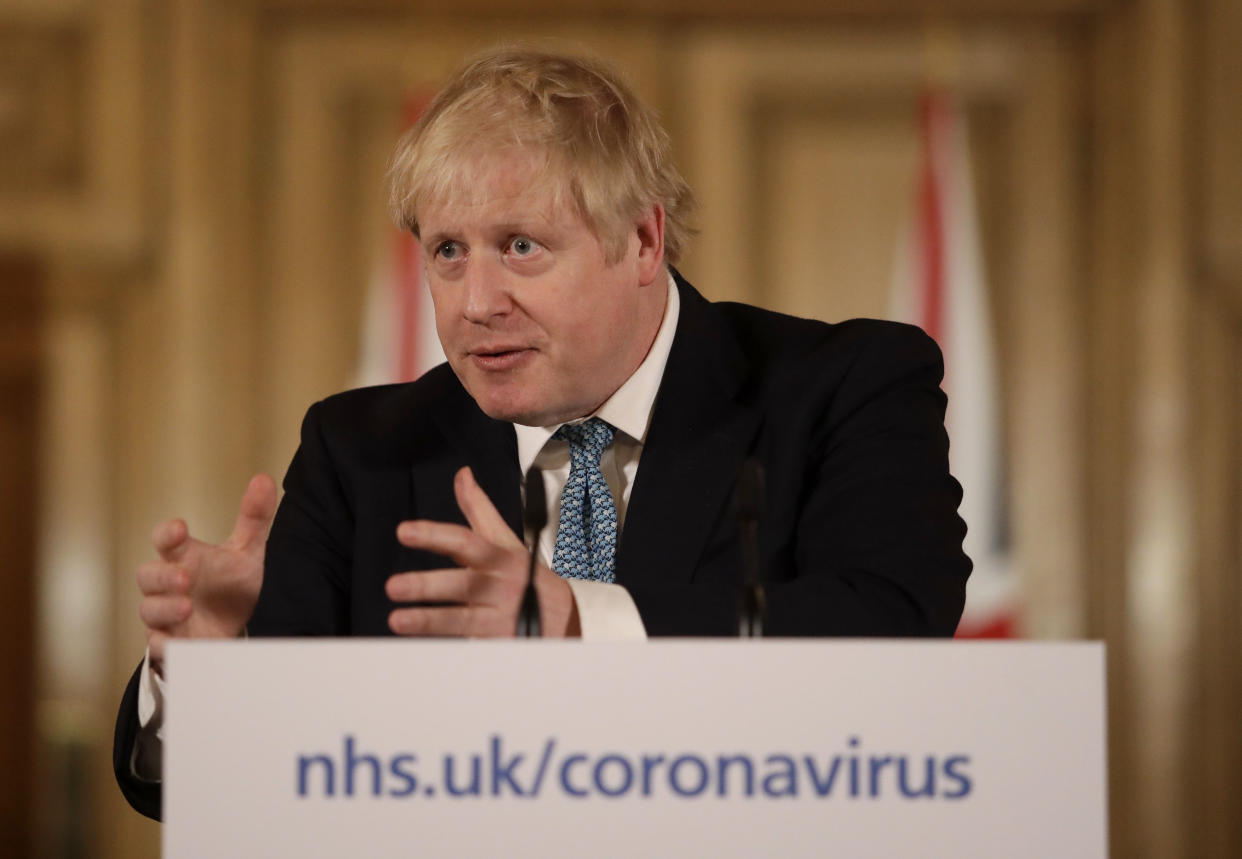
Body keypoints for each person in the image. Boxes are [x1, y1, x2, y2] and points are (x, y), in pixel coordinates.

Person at [114, 45, 971, 821]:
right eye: (448, 251)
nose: (476, 301)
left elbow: (892, 628)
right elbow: (253, 792)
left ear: (642, 240)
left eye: (519, 245)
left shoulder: (845, 388)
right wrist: (210, 685)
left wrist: (582, 624)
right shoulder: (362, 449)